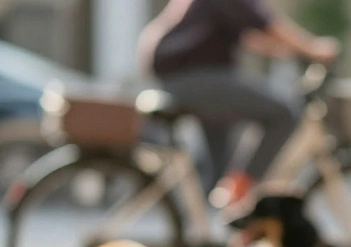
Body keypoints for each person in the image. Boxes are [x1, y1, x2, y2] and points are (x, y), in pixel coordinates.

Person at [137, 0, 339, 207]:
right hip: (195, 77)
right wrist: (313, 48)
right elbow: (267, 24)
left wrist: (282, 48)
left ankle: (212, 215)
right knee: (284, 112)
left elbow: (250, 36)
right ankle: (241, 187)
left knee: (221, 148)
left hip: (183, 77)